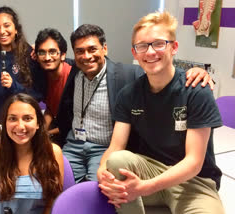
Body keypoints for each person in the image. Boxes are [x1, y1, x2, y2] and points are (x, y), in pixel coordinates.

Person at [97, 11, 224, 214]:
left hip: (194, 183)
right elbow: (115, 147)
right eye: (142, 46)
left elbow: (194, 162)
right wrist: (102, 170)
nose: (150, 52)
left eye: (158, 43)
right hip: (150, 169)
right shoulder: (128, 95)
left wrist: (146, 187)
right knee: (117, 161)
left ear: (173, 47)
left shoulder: (196, 90)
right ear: (134, 53)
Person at [56, 24, 213, 183]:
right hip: (74, 145)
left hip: (104, 149)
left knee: (96, 191)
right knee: (52, 182)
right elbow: (49, 61)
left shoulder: (127, 74)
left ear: (105, 49)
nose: (86, 56)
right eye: (79, 51)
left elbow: (157, 69)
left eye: (92, 49)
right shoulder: (74, 71)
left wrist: (196, 72)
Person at [0, 93, 64, 214]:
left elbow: (52, 206)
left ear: (38, 123)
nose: (20, 126)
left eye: (27, 118)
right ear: (5, 123)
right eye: (13, 119)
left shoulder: (53, 152)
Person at [0, 6, 45, 123]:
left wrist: (14, 86)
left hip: (21, 123)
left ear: (16, 29)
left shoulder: (29, 55)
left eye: (7, 25)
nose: (2, 31)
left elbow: (37, 94)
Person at [34, 28, 73, 144]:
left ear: (62, 55)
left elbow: (73, 122)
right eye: (42, 52)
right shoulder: (43, 77)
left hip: (73, 135)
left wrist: (47, 133)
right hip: (58, 127)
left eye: (52, 52)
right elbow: (51, 109)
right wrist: (40, 131)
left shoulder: (72, 77)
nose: (47, 58)